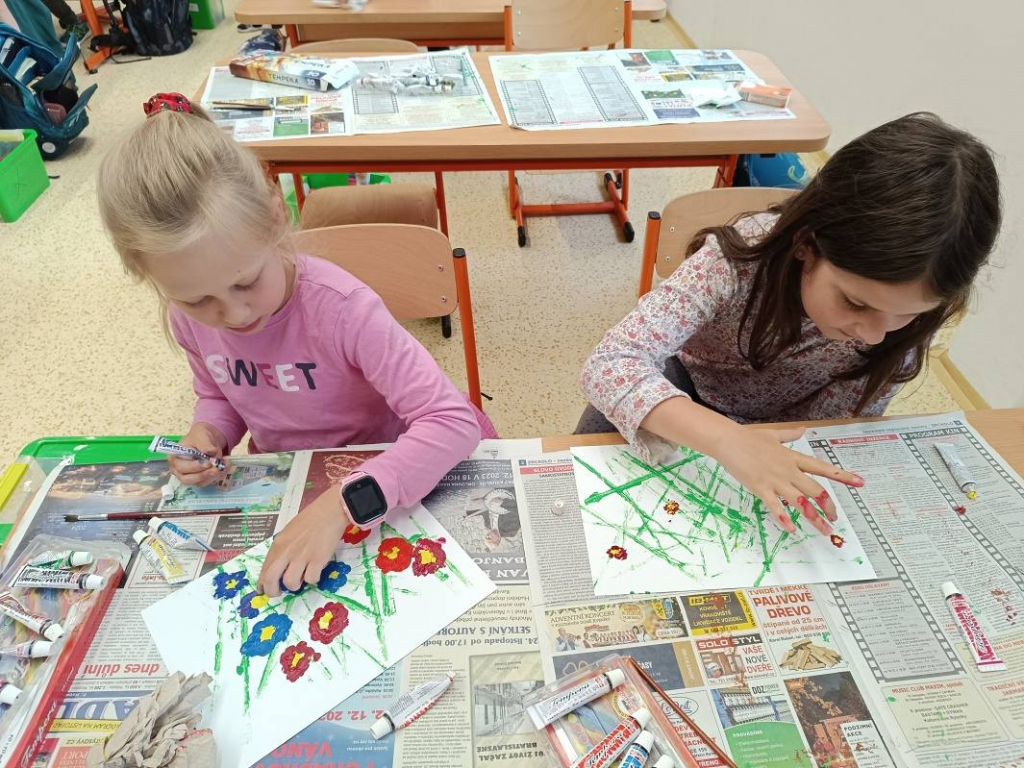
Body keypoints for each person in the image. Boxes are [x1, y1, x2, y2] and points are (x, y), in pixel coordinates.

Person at [98, 93, 495, 597]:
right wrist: (209, 432)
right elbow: (220, 393)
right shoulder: (186, 319)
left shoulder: (344, 309)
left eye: (246, 282)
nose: (234, 315)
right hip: (293, 482)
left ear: (274, 218)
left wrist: (342, 505)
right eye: (198, 300)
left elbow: (452, 423)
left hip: (392, 474)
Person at [578, 112, 1001, 537]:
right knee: (592, 471)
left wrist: (772, 448)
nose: (874, 335)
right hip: (690, 390)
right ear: (805, 244)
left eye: (909, 314)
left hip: (786, 426)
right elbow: (611, 363)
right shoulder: (737, 260)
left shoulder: (904, 320)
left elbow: (834, 427)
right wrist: (727, 440)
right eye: (855, 302)